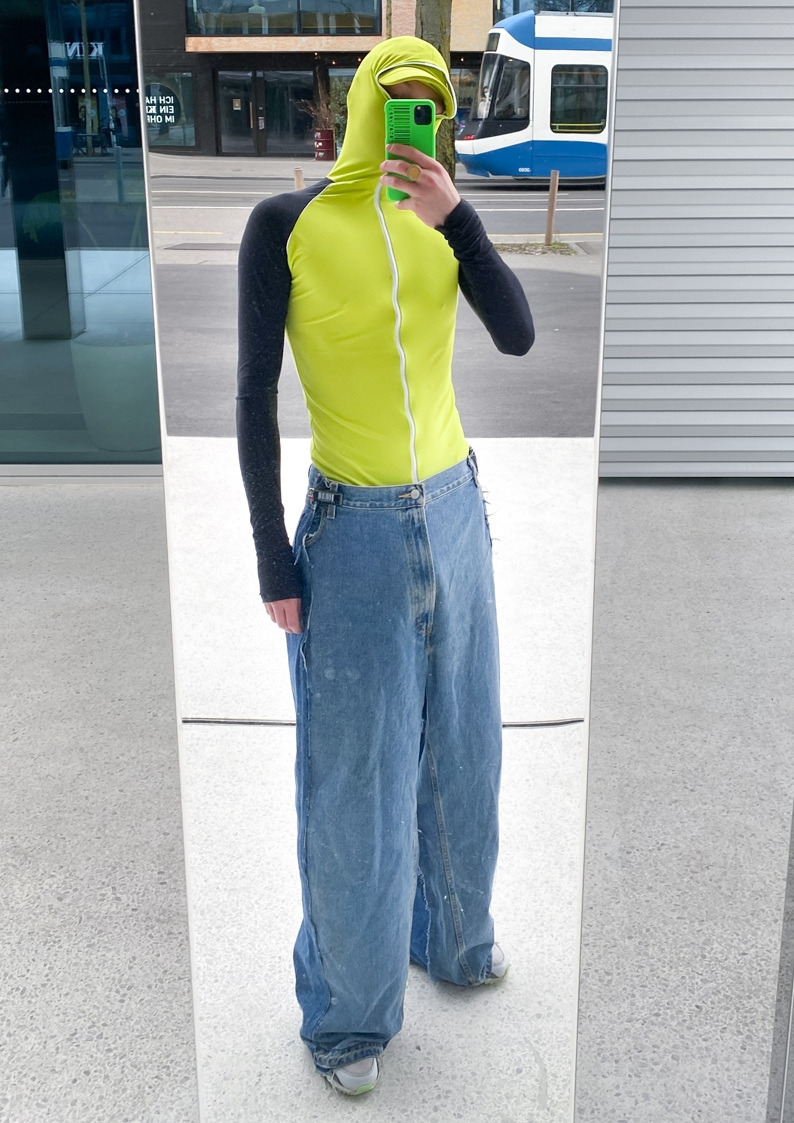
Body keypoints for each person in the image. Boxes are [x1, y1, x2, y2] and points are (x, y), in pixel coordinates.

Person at [236, 36, 534, 1096]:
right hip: (351, 532)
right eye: (397, 96)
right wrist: (273, 558)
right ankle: (348, 1015)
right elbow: (251, 395)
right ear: (362, 102)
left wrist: (460, 221)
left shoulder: (442, 222)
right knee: (354, 785)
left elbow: (517, 335)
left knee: (464, 747)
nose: (417, 116)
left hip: (455, 514)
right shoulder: (286, 223)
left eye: (432, 104)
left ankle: (451, 937)